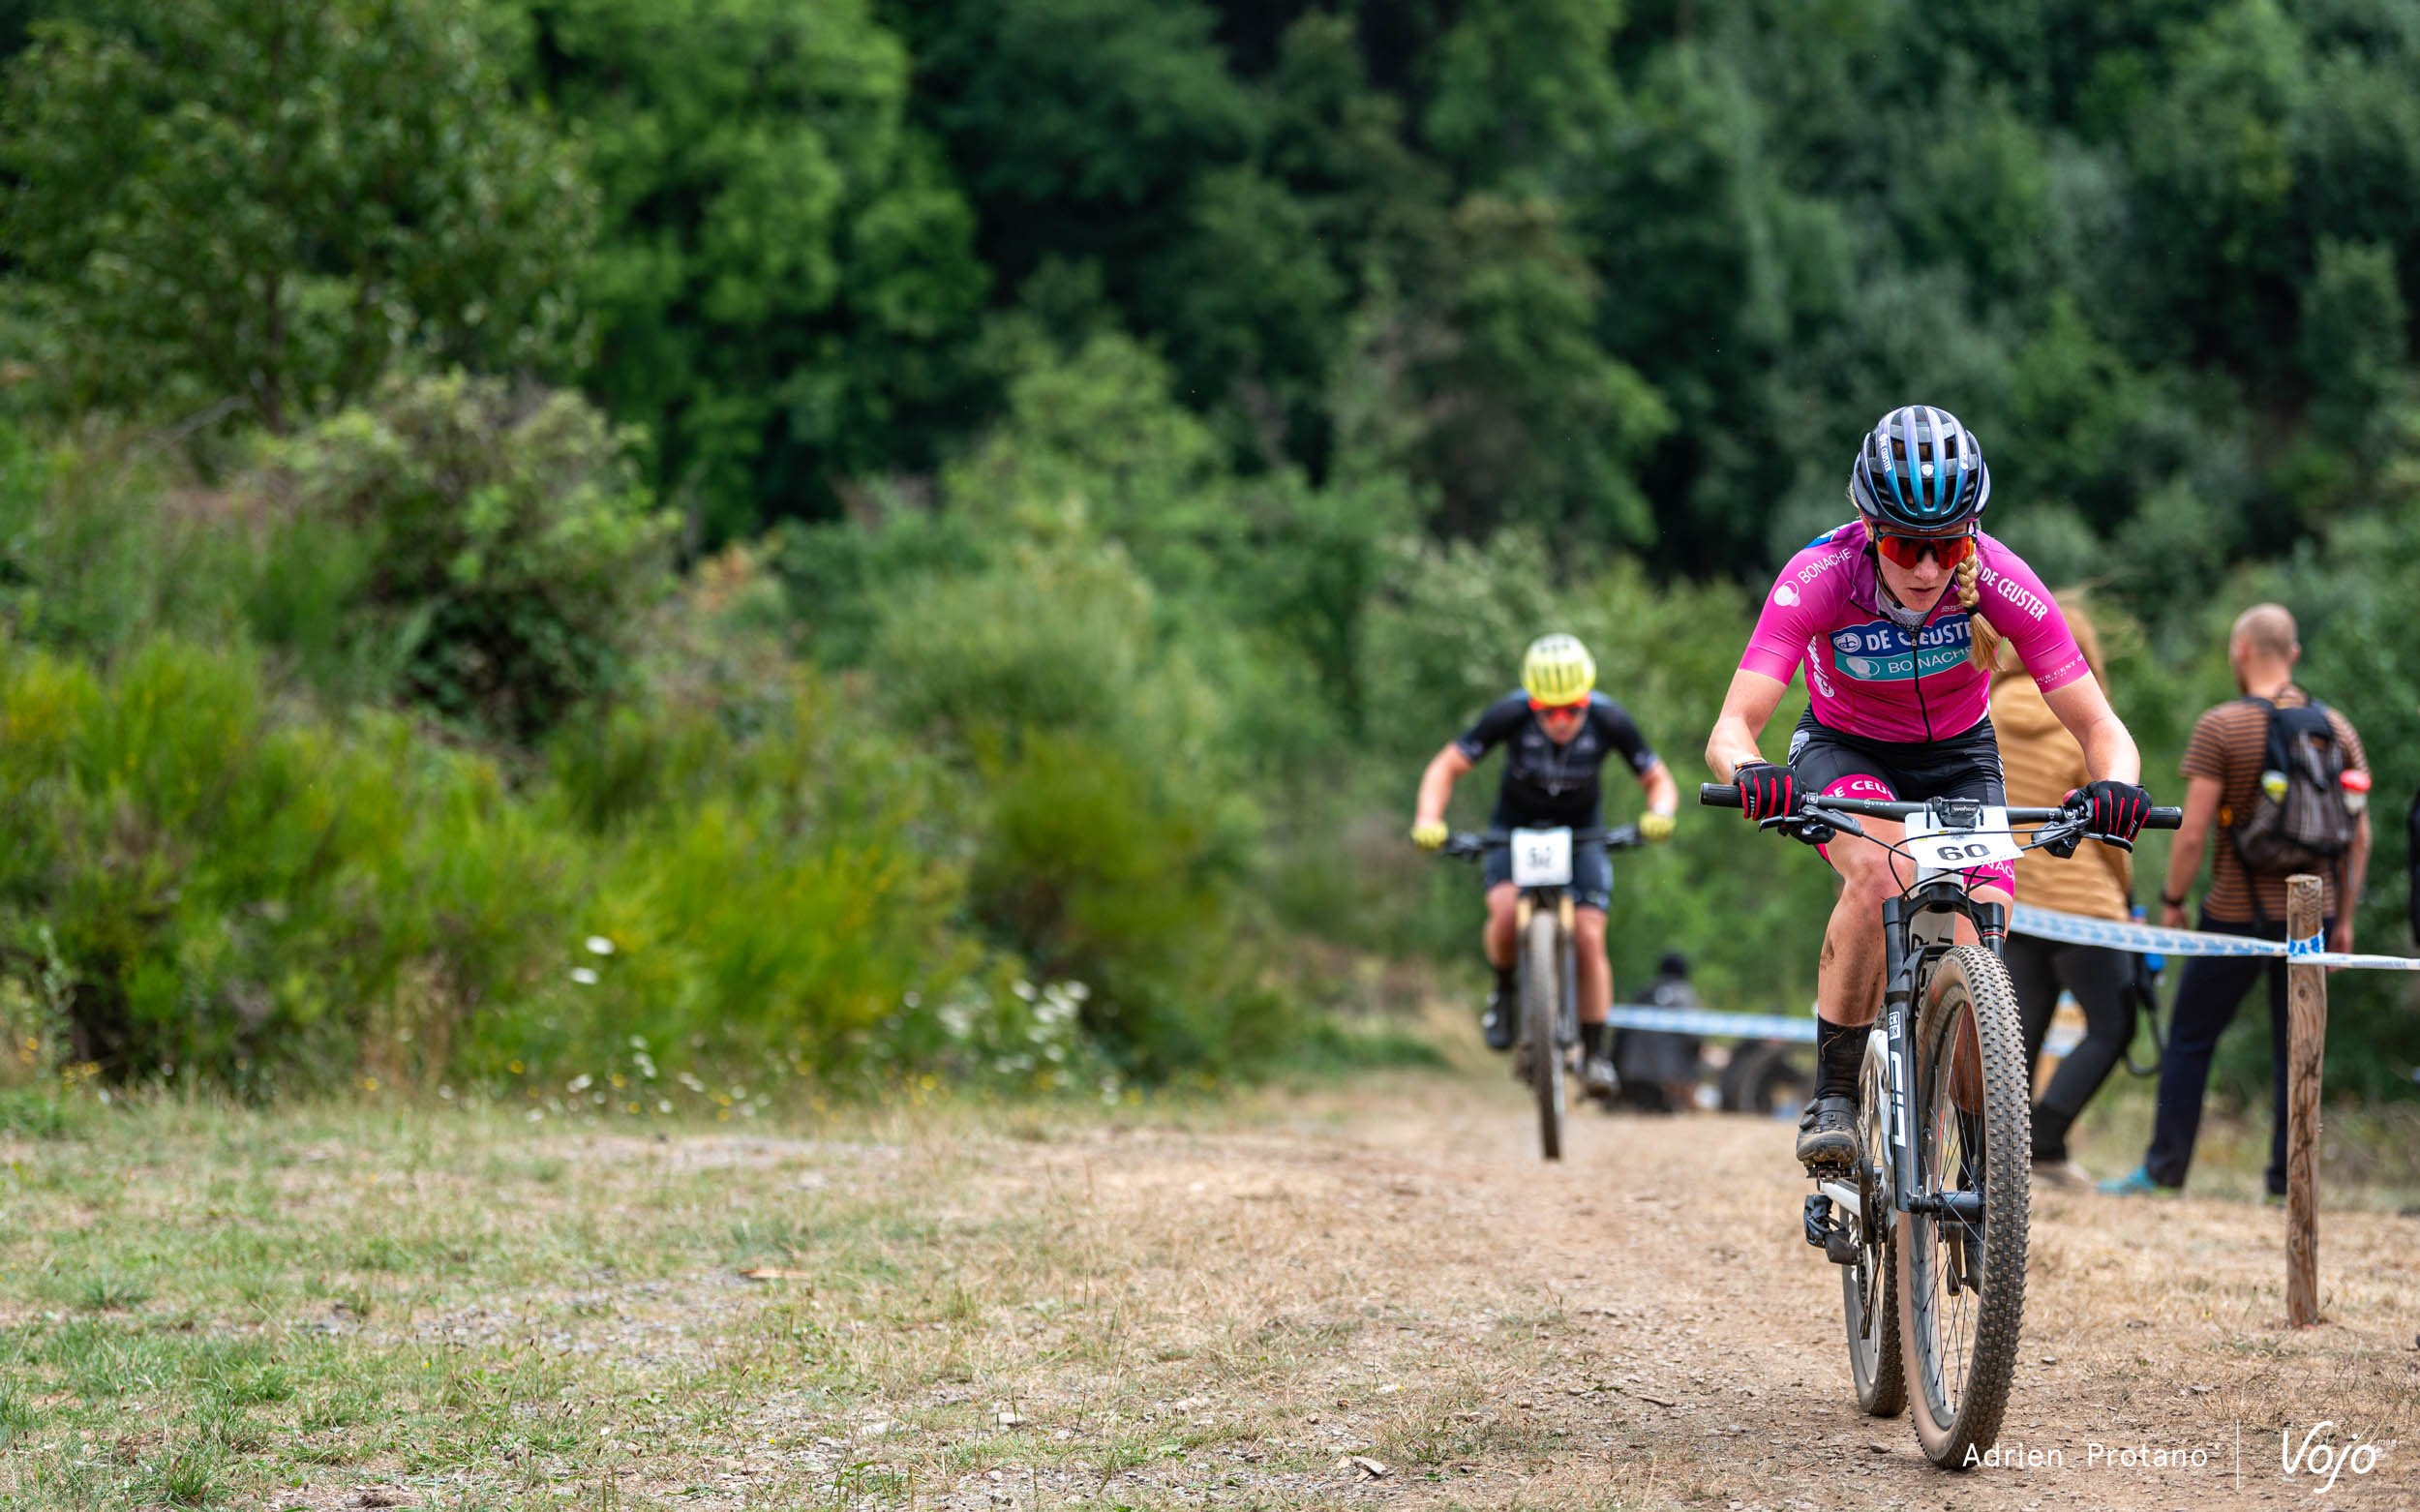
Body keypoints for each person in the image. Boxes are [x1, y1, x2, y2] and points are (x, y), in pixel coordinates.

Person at [1703, 405, 2156, 1175]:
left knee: (1982, 936)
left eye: (1946, 545)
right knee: (1882, 870)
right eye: (1906, 544)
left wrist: (2115, 787)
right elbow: (1730, 730)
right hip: (1844, 747)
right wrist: (1754, 778)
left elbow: (2103, 728)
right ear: (1867, 527)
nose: (1925, 568)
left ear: (1969, 535)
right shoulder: (1818, 575)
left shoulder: (2002, 579)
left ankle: (1987, 1168)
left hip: (1959, 759)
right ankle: (1836, 1097)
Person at [2103, 604, 2373, 1197]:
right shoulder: (2337, 727)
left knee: (2192, 1038)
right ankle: (2288, 1179)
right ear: (2294, 654)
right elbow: (2360, 835)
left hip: (2233, 912)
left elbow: (2193, 830)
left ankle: (2164, 1170)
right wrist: (2344, 920)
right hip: (2314, 915)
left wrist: (2173, 899)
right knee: (2298, 1045)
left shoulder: (2223, 725)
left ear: (2241, 651)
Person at [1411, 634, 1679, 1098]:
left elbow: (1658, 779)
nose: (1560, 720)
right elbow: (1444, 769)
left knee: (1591, 936)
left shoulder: (1609, 718)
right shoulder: (1509, 715)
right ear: (1530, 703)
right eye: (1547, 709)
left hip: (1582, 836)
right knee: (1501, 914)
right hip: (1513, 831)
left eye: (1571, 709)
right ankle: (1504, 993)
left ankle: (1595, 1056)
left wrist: (1659, 814)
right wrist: (1428, 819)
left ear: (1586, 699)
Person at [1989, 590, 2135, 1189]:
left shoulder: (1987, 706)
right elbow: (2105, 827)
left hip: (2013, 893)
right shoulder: (2081, 717)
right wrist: (2126, 895)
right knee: (2113, 1026)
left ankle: (2004, 1159)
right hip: (2084, 903)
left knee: (2019, 1038)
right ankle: (2046, 1141)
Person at [1613, 951, 1705, 1113]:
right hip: (1667, 1075)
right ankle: (1678, 1099)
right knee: (1696, 1052)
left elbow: (1621, 1031)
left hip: (1631, 1067)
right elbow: (1695, 1035)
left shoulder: (1646, 991)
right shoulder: (1684, 994)